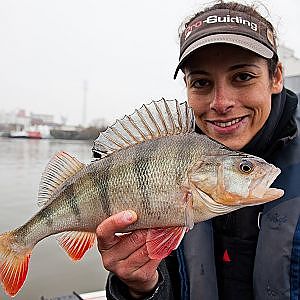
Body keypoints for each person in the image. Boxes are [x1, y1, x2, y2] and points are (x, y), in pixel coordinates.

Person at [95, 1, 300, 299]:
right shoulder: (166, 160)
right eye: (202, 82)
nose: (221, 102)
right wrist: (139, 288)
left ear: (276, 77)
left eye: (242, 76)